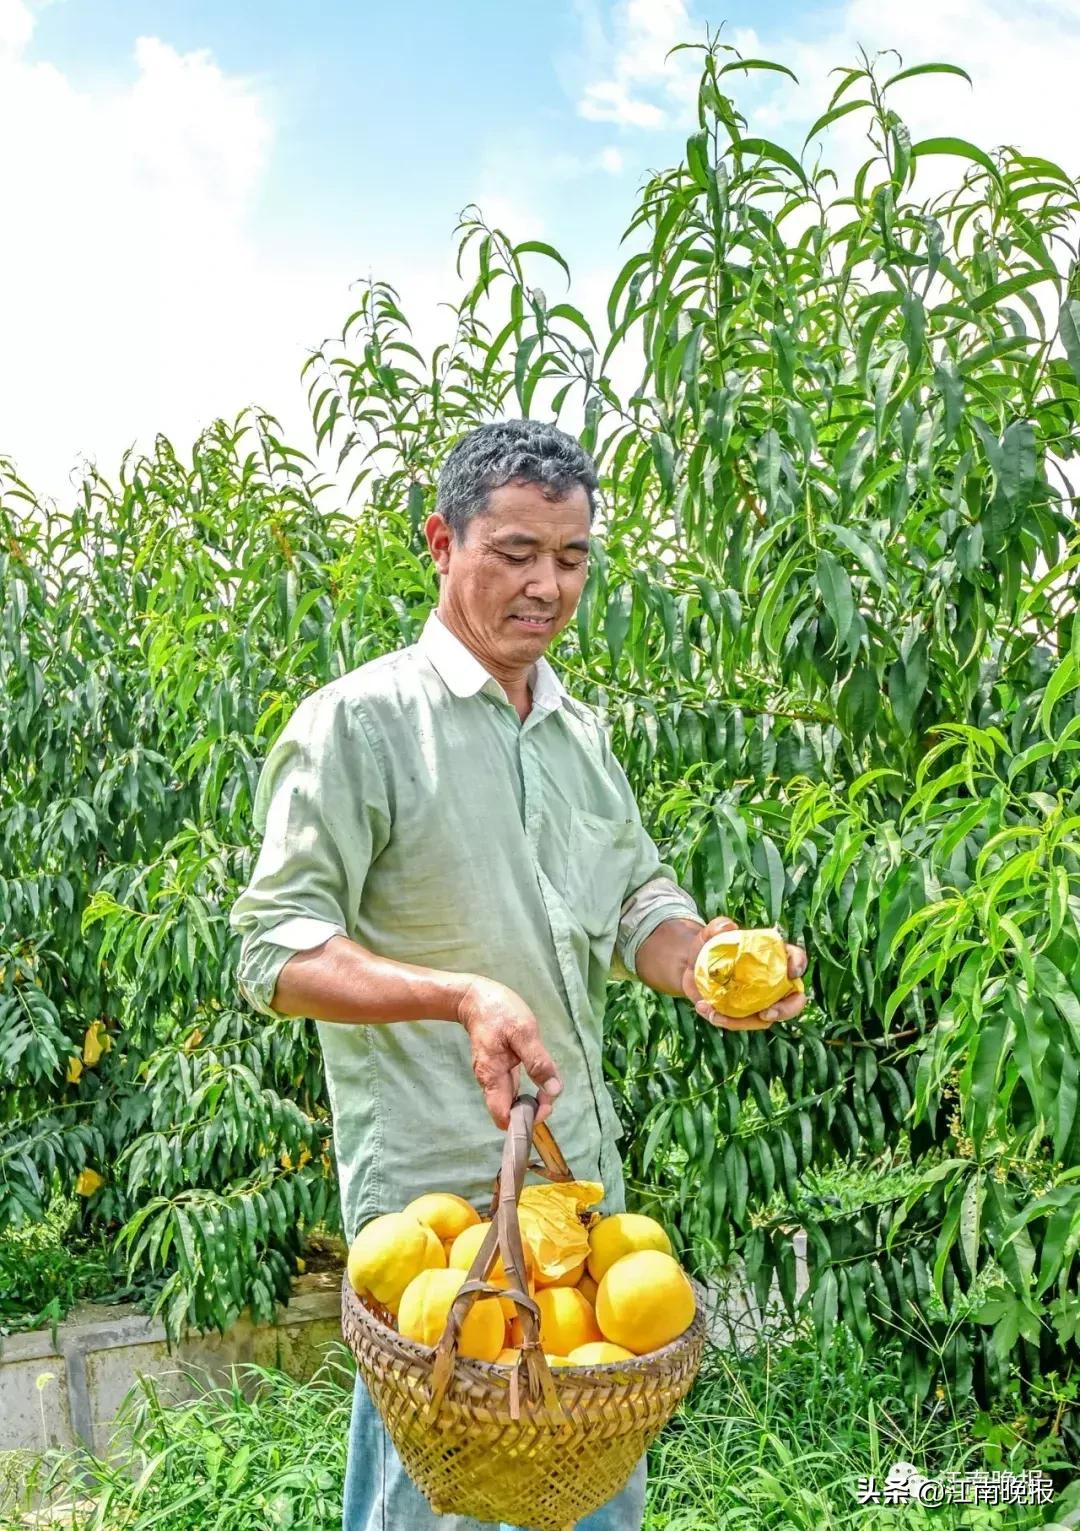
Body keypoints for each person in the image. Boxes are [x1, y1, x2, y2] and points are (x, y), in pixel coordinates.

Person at [229, 418, 808, 1531]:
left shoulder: (576, 733)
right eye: (516, 552)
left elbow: (640, 900)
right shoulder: (358, 725)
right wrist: (458, 993)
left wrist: (704, 964)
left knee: (585, 1490)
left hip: (578, 1200)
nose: (549, 584)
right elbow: (276, 952)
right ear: (442, 543)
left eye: (574, 556)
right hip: (439, 1216)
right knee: (436, 1503)